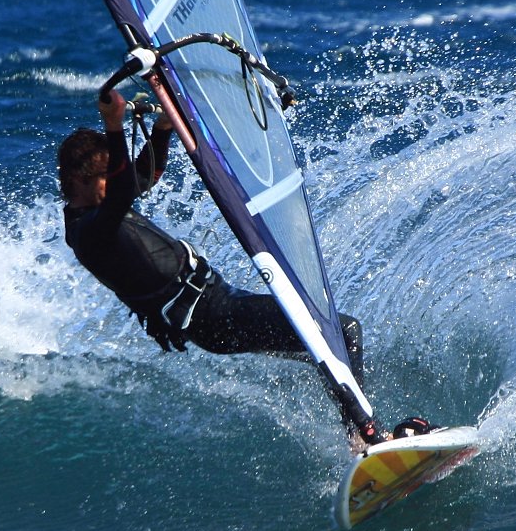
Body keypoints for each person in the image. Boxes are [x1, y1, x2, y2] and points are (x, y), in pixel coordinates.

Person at [58, 90, 369, 434]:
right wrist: (113, 126)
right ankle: (362, 434)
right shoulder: (88, 231)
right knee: (343, 332)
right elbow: (120, 193)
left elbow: (142, 179)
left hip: (219, 305)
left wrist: (162, 128)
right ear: (77, 181)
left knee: (321, 351)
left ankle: (358, 428)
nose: (113, 186)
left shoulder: (96, 212)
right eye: (103, 179)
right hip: (215, 317)